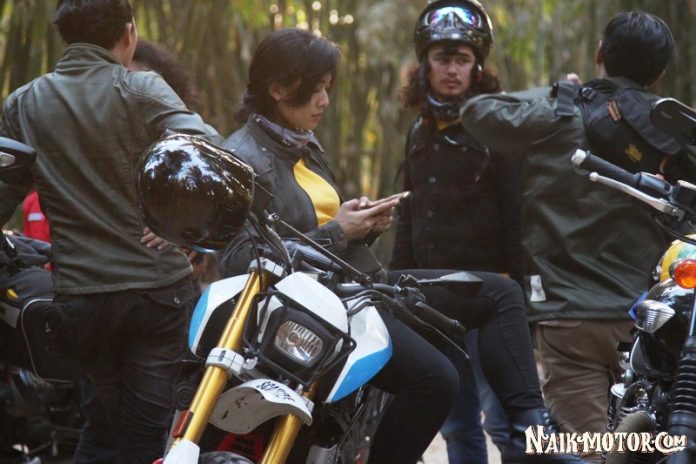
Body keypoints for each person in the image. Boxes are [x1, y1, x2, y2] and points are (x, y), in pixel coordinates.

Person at [218, 27, 584, 464]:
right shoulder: (243, 159)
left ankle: (534, 435)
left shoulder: (301, 143)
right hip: (317, 310)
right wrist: (340, 231)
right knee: (438, 379)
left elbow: (313, 229)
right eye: (316, 89)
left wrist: (362, 225)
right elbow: (241, 261)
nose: (326, 101)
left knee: (500, 293)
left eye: (327, 88)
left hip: (355, 286)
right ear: (277, 89)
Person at [459, 11, 690, 463]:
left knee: (588, 452)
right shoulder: (671, 129)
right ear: (661, 72)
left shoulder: (558, 113)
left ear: (599, 53)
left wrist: (562, 92)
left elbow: (477, 112)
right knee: (651, 449)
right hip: (650, 320)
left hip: (569, 318)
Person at [0, 1, 222, 462]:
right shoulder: (142, 89)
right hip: (156, 296)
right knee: (145, 438)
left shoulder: (24, 103)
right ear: (128, 33)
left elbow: (5, 194)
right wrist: (179, 224)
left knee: (99, 433)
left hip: (81, 299)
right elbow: (210, 154)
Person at [393, 1, 515, 461]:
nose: (451, 69)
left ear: (477, 66)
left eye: (461, 59)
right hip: (435, 299)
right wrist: (398, 286)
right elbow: (408, 214)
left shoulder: (497, 129)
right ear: (425, 63)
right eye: (442, 58)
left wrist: (522, 291)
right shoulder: (419, 131)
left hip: (490, 297)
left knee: (506, 422)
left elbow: (518, 214)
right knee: (458, 423)